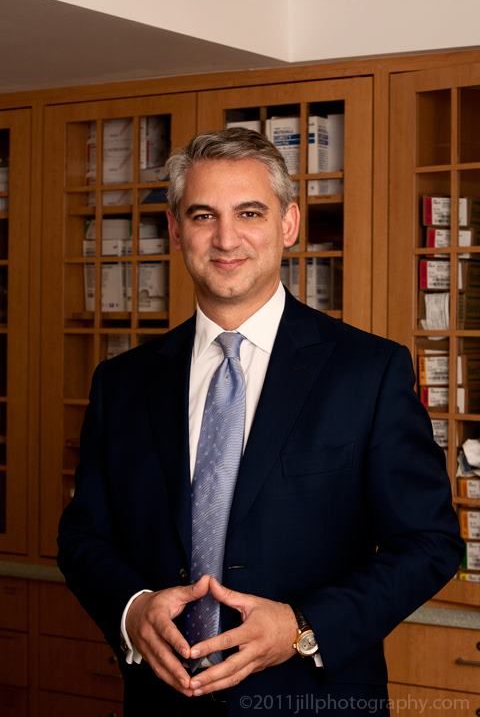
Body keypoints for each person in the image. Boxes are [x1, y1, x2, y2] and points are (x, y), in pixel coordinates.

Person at [58, 127, 463, 717]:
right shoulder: (123, 383)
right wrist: (133, 608)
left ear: (288, 224)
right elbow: (82, 535)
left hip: (313, 700)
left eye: (249, 212)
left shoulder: (367, 373)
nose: (226, 238)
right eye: (203, 215)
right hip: (164, 702)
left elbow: (430, 544)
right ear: (176, 231)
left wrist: (303, 625)